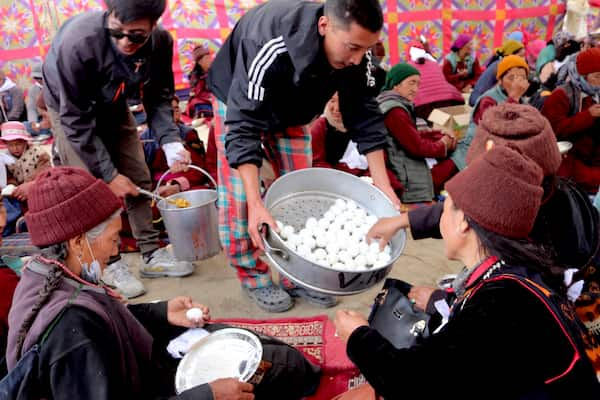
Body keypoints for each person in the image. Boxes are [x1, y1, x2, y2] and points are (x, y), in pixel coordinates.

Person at [5, 166, 321, 400]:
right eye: (114, 238)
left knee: (248, 343)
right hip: (147, 388)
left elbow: (106, 323)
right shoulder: (69, 330)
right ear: (76, 242)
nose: (117, 250)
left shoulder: (43, 272)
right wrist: (207, 397)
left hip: (140, 370)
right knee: (277, 367)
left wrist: (161, 312)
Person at [335, 145, 600, 398]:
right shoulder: (512, 268)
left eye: (446, 206)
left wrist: (358, 337)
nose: (440, 216)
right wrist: (444, 300)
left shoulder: (504, 303)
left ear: (463, 223)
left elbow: (415, 385)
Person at [207, 0, 400, 312]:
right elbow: (243, 126)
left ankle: (295, 271)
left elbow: (364, 113)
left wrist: (383, 185)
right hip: (238, 101)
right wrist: (256, 203)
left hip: (294, 110)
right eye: (351, 47)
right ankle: (253, 275)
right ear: (324, 26)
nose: (356, 59)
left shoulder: (356, 55)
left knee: (298, 189)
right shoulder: (266, 41)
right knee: (242, 198)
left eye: (365, 50)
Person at [42, 0, 195, 292]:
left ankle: (151, 252)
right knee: (94, 186)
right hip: (69, 109)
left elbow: (159, 97)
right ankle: (109, 263)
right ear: (108, 17)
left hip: (112, 102)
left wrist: (171, 141)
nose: (126, 42)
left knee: (137, 175)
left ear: (153, 26)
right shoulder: (78, 43)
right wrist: (109, 175)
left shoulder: (160, 43)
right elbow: (76, 122)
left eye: (137, 35)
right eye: (117, 33)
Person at [377, 63, 458, 202]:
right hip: (406, 178)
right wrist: (443, 144)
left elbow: (410, 135)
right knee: (459, 157)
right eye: (411, 83)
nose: (415, 89)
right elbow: (417, 147)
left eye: (418, 84)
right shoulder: (395, 111)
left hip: (402, 165)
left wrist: (436, 134)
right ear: (395, 84)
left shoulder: (389, 103)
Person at [452, 55, 530, 171]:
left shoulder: (524, 102)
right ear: (500, 81)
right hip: (476, 153)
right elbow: (496, 130)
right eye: (511, 78)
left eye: (521, 78)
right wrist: (513, 98)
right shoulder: (488, 100)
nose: (516, 83)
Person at [541, 47, 600, 195]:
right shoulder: (561, 95)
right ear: (583, 76)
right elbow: (552, 131)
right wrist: (588, 116)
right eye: (598, 76)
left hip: (593, 158)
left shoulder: (597, 94)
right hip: (569, 162)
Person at [406, 42, 465, 121]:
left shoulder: (408, 66)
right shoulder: (434, 63)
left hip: (424, 104)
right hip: (449, 99)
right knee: (444, 124)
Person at [0, 122, 51, 202]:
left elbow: (45, 172)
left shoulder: (38, 153)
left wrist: (30, 184)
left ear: (25, 141)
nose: (15, 148)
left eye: (18, 144)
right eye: (11, 145)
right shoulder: (5, 159)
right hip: (18, 194)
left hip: (37, 188)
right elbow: (8, 177)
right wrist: (12, 186)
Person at [469, 39, 524, 106]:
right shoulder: (501, 66)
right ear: (511, 55)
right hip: (479, 101)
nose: (523, 59)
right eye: (521, 56)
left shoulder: (504, 64)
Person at [185, 45, 214, 119]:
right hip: (203, 100)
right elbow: (197, 94)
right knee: (197, 103)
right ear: (200, 62)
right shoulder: (195, 76)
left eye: (210, 57)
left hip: (214, 99)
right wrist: (210, 98)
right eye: (207, 58)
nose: (210, 60)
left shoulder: (214, 71)